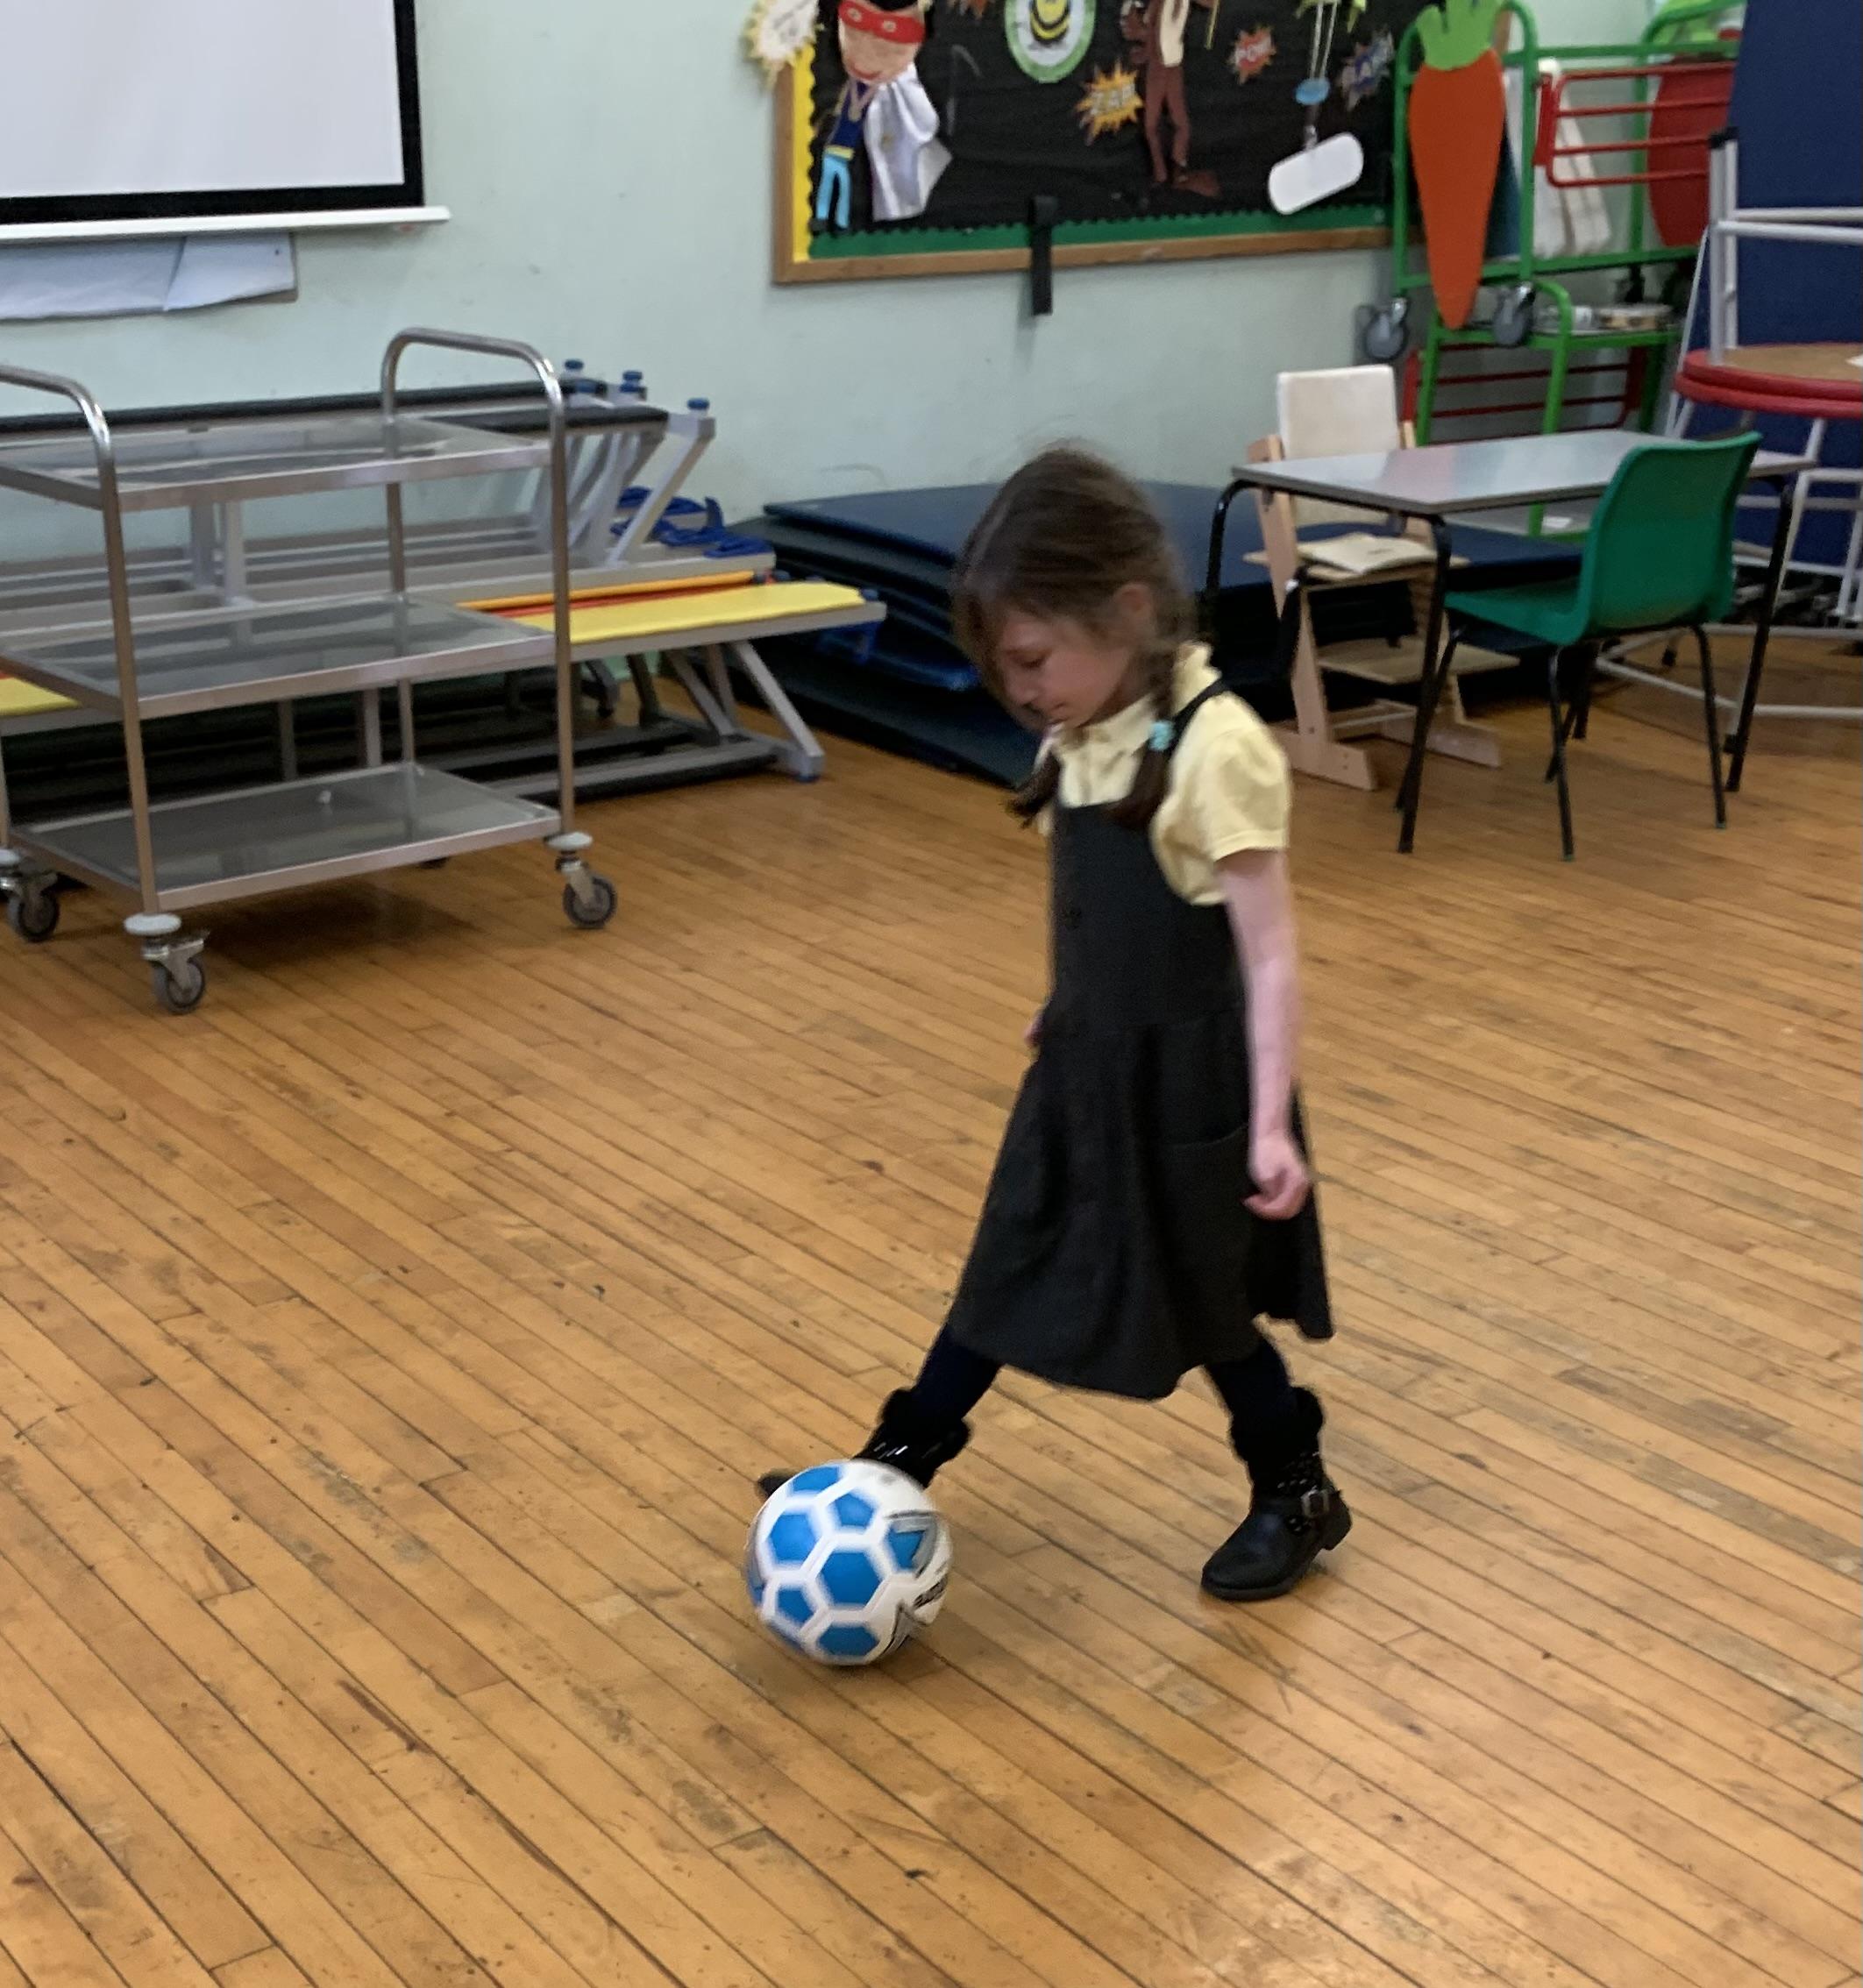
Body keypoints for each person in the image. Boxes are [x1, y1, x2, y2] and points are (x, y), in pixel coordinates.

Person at [763, 447, 1347, 1602]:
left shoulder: (1216, 746)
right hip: (1085, 1067)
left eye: (1031, 660)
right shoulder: (1081, 728)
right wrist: (1068, 1000)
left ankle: (1296, 1486)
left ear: (1125, 610)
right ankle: (895, 1465)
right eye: (1002, 669)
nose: (1021, 692)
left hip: (1192, 1091)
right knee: (1004, 1266)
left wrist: (1270, 1125)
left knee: (1208, 1310)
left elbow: (1268, 954)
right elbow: (1102, 908)